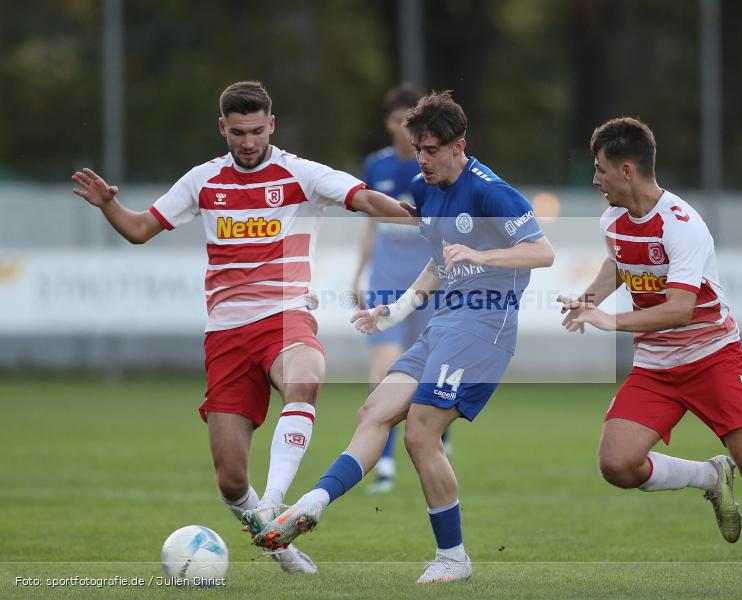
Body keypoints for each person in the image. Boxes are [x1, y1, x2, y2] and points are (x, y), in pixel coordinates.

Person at [70, 80, 413, 576]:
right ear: (222, 129)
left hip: (284, 314)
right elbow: (141, 229)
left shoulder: (300, 173)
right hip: (226, 334)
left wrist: (416, 218)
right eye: (237, 133)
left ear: (271, 124)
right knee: (231, 482)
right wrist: (109, 206)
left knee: (306, 377)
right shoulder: (203, 180)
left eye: (256, 131)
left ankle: (275, 504)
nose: (248, 142)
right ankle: (280, 546)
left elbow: (362, 199)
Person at [248, 91, 555, 584]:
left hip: (485, 327)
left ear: (460, 146)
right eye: (418, 148)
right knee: (373, 411)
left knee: (420, 431)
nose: (423, 159)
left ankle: (453, 558)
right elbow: (439, 260)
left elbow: (542, 253)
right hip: (444, 324)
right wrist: (394, 311)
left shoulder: (491, 192)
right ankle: (312, 503)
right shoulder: (423, 185)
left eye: (432, 149)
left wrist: (482, 256)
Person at [558, 117, 742, 587]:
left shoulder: (683, 225)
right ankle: (710, 478)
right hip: (655, 366)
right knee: (617, 464)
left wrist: (610, 321)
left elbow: (680, 310)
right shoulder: (612, 219)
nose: (595, 179)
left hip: (713, 358)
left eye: (600, 169)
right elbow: (619, 263)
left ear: (627, 171)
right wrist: (590, 300)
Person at [352, 84, 449, 494]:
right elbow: (371, 221)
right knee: (385, 369)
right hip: (388, 281)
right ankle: (386, 462)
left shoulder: (437, 167)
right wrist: (359, 273)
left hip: (432, 279)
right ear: (389, 124)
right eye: (396, 120)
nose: (401, 127)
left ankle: (440, 439)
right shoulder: (377, 166)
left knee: (431, 369)